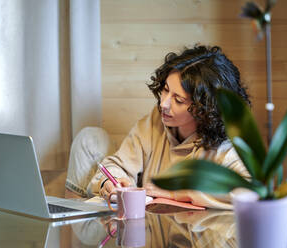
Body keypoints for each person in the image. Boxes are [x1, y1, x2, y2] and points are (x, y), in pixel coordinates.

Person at [67, 45, 250, 208]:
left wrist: (180, 193)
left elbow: (252, 193)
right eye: (165, 90)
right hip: (145, 231)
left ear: (205, 109)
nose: (164, 104)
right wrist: (110, 182)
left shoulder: (226, 148)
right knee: (90, 138)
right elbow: (118, 165)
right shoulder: (157, 120)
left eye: (178, 100)